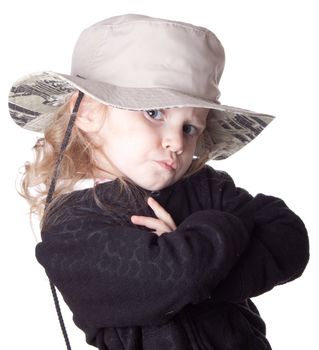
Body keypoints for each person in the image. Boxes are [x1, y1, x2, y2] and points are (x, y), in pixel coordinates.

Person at [8, 13, 309, 350]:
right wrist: (219, 230)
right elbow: (172, 277)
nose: (177, 143)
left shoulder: (203, 185)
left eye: (190, 127)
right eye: (154, 113)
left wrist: (195, 259)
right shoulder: (70, 229)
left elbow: (289, 238)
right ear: (89, 113)